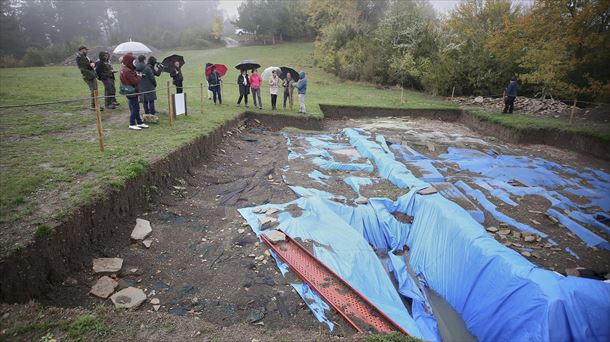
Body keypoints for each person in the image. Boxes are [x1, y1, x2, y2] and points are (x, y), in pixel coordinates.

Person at [120, 54, 148, 130]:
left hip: (129, 90)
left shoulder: (125, 69)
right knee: (136, 108)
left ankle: (139, 122)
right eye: (133, 61)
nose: (134, 63)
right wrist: (139, 76)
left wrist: (136, 74)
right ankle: (132, 123)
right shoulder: (127, 71)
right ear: (129, 61)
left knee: (134, 107)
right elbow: (134, 81)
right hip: (132, 91)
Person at [76, 46, 102, 111]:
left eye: (87, 50)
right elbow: (83, 66)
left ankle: (96, 105)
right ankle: (94, 106)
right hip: (87, 76)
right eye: (85, 50)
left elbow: (90, 61)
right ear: (81, 50)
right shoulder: (78, 58)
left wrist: (92, 62)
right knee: (93, 91)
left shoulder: (86, 57)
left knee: (96, 91)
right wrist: (90, 65)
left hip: (92, 75)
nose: (87, 51)